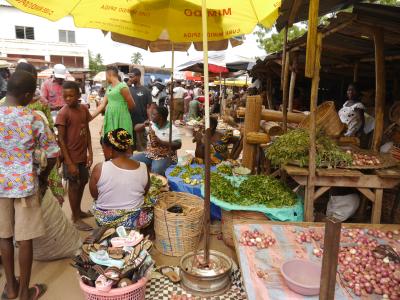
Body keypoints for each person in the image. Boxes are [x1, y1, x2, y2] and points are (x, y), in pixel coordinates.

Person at [0, 71, 60, 300]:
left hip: (0, 186)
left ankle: (11, 287)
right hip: (25, 186)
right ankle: (25, 292)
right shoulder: (33, 119)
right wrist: (43, 178)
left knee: (4, 237)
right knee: (24, 240)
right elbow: (53, 153)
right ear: (26, 95)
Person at [89, 128, 152, 229]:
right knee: (150, 199)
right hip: (134, 221)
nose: (103, 151)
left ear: (110, 149)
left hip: (105, 220)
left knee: (95, 203)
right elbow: (144, 192)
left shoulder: (99, 168)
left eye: (103, 148)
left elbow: (95, 195)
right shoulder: (143, 167)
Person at [56, 81, 93, 231]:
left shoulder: (83, 108)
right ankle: (75, 217)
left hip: (82, 156)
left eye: (71, 95)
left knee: (83, 180)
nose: (68, 98)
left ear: (78, 95)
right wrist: (69, 163)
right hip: (70, 157)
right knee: (73, 185)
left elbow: (87, 131)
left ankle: (78, 211)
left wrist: (90, 152)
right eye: (65, 96)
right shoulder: (63, 113)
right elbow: (61, 140)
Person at [132, 106, 182, 175]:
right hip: (150, 154)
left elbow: (178, 145)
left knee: (156, 170)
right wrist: (143, 124)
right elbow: (136, 128)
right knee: (131, 160)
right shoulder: (152, 124)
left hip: (165, 156)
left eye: (153, 114)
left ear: (160, 117)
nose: (151, 116)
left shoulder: (172, 129)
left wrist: (161, 142)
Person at [91, 66, 135, 136]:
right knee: (109, 143)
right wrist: (90, 117)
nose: (106, 78)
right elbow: (102, 105)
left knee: (122, 142)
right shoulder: (109, 88)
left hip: (121, 119)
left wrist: (121, 111)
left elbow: (132, 105)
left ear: (109, 74)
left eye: (106, 76)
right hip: (110, 118)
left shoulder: (122, 87)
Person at [128, 68, 152, 150]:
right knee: (130, 148)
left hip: (142, 124)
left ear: (138, 77)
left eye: (132, 77)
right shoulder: (128, 90)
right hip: (129, 123)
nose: (130, 79)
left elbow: (149, 107)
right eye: (129, 77)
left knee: (142, 148)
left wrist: (150, 120)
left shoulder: (146, 91)